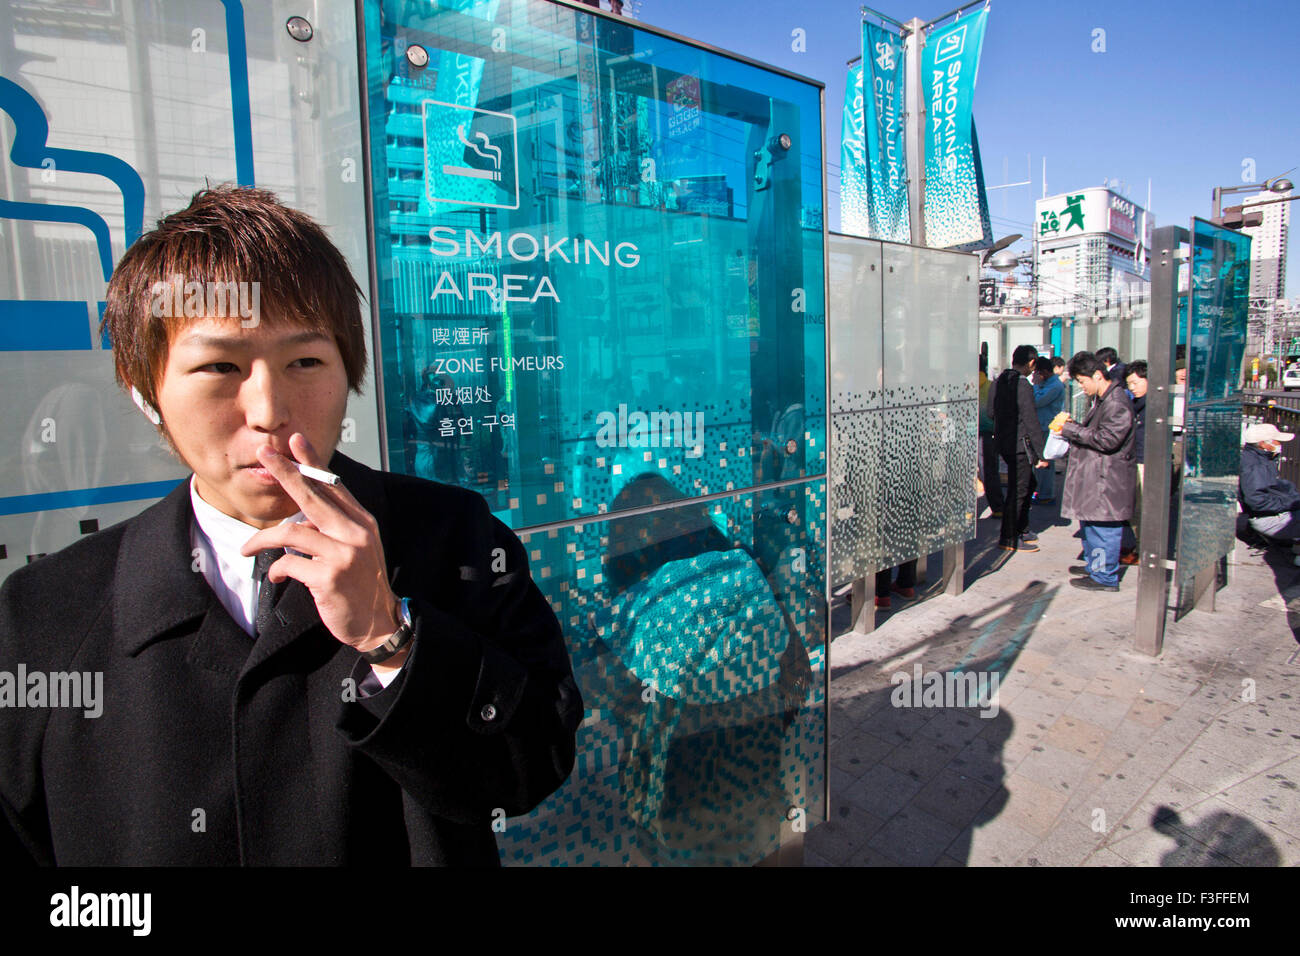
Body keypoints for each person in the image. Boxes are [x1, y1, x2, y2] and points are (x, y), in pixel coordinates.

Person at [0, 185, 583, 865]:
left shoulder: (453, 538)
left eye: (305, 362)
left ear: (349, 372)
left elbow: (533, 763)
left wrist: (392, 636)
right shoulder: (48, 612)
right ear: (144, 387)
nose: (270, 409)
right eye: (219, 367)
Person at [1051, 351, 1137, 592]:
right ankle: (1094, 567)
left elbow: (1108, 440)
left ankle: (1104, 576)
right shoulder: (1105, 399)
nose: (1081, 386)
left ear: (1098, 376)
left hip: (1106, 481)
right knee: (1092, 527)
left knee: (1102, 530)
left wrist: (1071, 430)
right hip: (1097, 477)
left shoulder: (1116, 402)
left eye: (1082, 381)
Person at [988, 344, 1046, 552]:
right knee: (1019, 489)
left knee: (1026, 484)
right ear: (1031, 362)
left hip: (1003, 443)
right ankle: (1010, 536)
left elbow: (990, 411)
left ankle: (1021, 527)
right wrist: (1042, 452)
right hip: (1020, 445)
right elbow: (1031, 420)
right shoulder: (1023, 385)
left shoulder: (998, 382)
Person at [1239, 423, 1300, 546]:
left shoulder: (1258, 458)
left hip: (1266, 515)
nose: (1280, 444)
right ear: (1263, 444)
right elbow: (1256, 500)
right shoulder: (1255, 466)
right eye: (1277, 441)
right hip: (1268, 520)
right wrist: (1290, 503)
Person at [1121, 360, 1148, 564]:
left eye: (1136, 383)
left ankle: (1143, 551)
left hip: (1145, 460)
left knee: (1142, 509)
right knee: (1135, 508)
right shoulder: (1137, 404)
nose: (1132, 388)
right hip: (1135, 458)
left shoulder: (1154, 406)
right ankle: (1140, 547)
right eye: (1129, 383)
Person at [1031, 355, 1065, 504]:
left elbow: (1037, 401)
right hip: (1040, 426)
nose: (1034, 376)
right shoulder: (1047, 384)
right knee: (1040, 462)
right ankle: (1040, 491)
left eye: (1036, 373)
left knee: (1046, 462)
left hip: (1048, 427)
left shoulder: (1055, 386)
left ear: (1043, 372)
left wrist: (1036, 385)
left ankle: (1046, 494)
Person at [978, 354, 1004, 517]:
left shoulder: (965, 385)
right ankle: (998, 506)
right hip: (989, 434)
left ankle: (965, 511)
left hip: (971, 434)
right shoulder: (991, 386)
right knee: (990, 471)